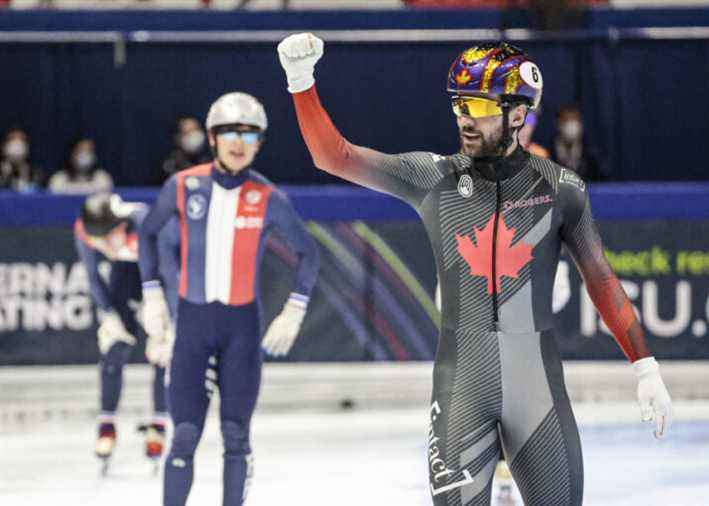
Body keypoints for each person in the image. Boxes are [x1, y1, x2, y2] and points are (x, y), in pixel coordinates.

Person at [278, 35, 673, 506]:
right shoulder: (434, 178)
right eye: (459, 104)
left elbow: (601, 280)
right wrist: (301, 83)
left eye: (478, 105)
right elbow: (334, 156)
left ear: (517, 113)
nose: (464, 116)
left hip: (540, 397)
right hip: (462, 391)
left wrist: (644, 365)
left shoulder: (562, 188)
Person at [138, 92, 320, 506]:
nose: (239, 142)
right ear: (212, 137)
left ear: (259, 142)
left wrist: (295, 308)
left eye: (249, 134)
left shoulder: (268, 196)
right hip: (193, 329)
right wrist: (152, 295)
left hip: (241, 331)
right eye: (230, 133)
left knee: (236, 436)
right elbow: (148, 234)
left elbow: (309, 252)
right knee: (183, 434)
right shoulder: (183, 186)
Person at [74, 192, 179, 471]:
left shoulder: (147, 223)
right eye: (100, 242)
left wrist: (173, 327)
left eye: (110, 238)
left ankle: (159, 423)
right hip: (125, 274)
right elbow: (94, 277)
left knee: (162, 350)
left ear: (121, 225)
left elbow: (169, 276)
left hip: (159, 273)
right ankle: (106, 425)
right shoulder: (85, 232)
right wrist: (108, 314)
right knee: (114, 345)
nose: (106, 246)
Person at [550, 104, 605, 181]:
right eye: (566, 120)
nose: (571, 125)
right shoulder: (547, 155)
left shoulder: (591, 157)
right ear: (559, 124)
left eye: (574, 119)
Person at [155, 117, 211, 186]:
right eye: (189, 132)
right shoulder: (169, 166)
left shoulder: (208, 162)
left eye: (196, 130)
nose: (195, 136)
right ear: (178, 138)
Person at [49, 138, 113, 194]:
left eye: (88, 151)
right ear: (72, 154)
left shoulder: (103, 178)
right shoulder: (59, 179)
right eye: (80, 150)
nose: (84, 155)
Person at [0, 128, 45, 192]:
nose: (16, 145)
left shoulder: (35, 174)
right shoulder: (2, 172)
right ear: (4, 146)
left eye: (21, 140)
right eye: (12, 139)